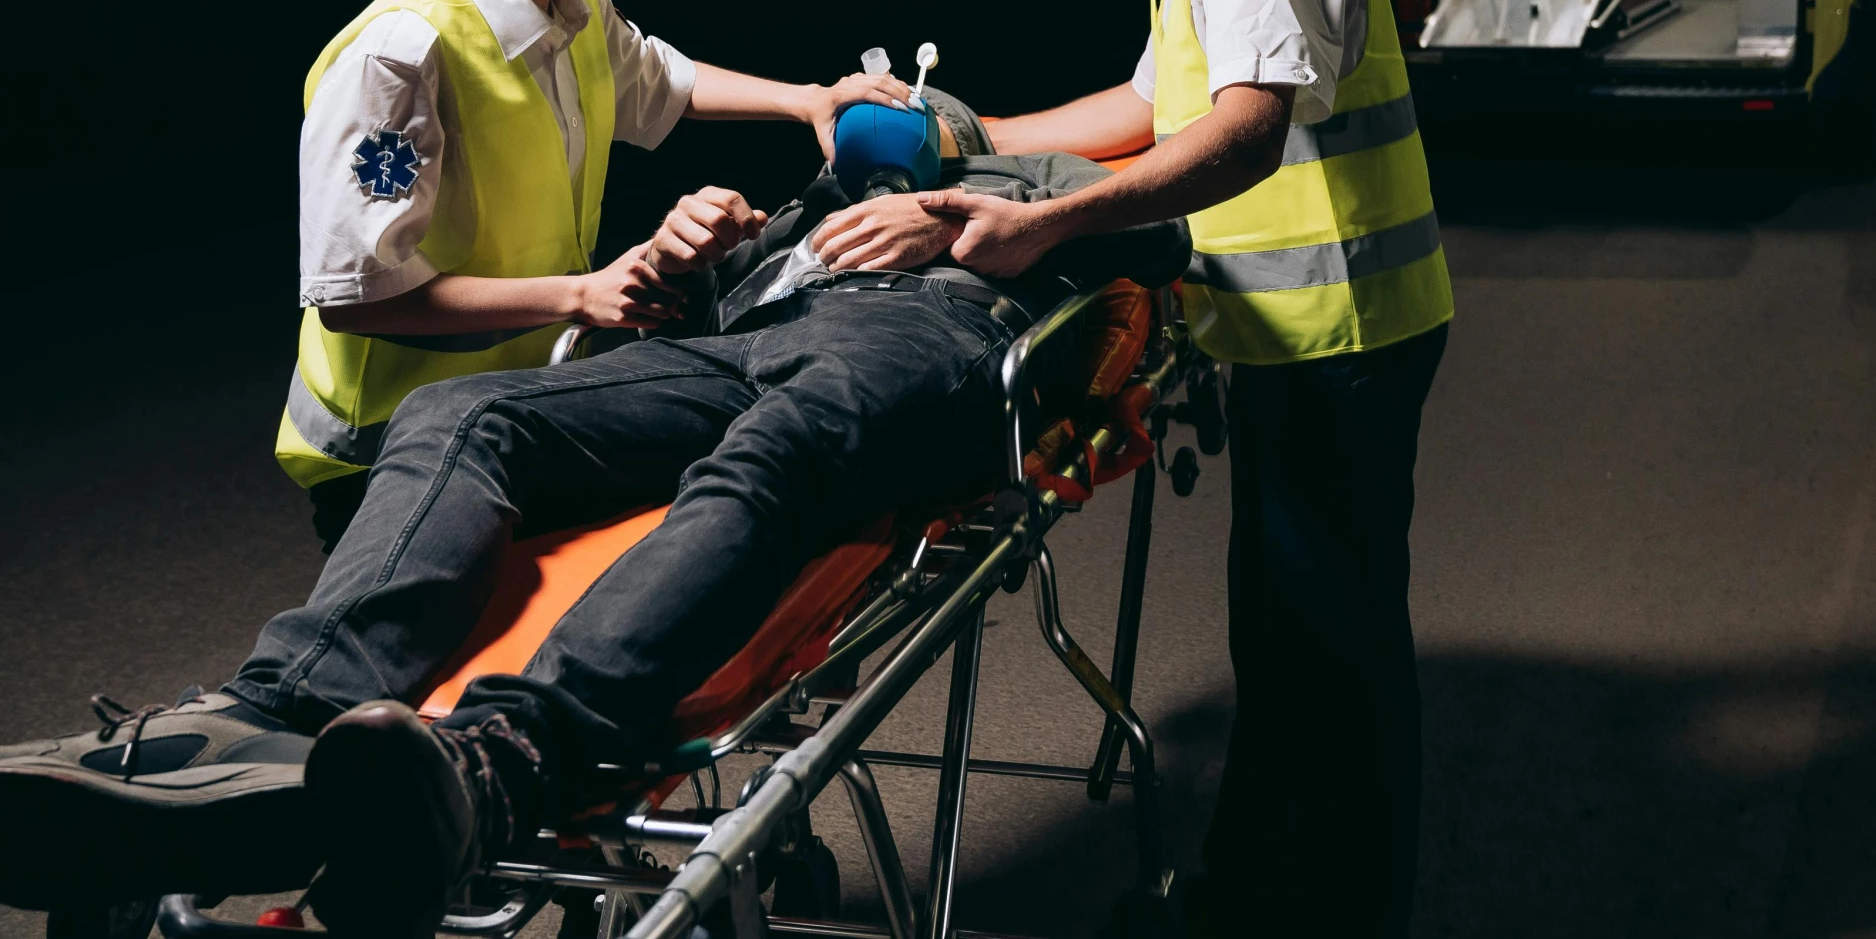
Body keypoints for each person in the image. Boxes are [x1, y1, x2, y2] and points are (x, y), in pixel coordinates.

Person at [0, 91, 1187, 935]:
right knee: (464, 417)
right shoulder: (815, 203)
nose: (911, 125)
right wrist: (692, 251)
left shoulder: (1039, 180)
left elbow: (1159, 230)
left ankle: (508, 759)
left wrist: (970, 220)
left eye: (938, 120)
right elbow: (673, 307)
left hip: (929, 337)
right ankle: (277, 720)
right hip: (748, 333)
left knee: (766, 462)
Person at [918, 0, 1452, 937]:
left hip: (1344, 341)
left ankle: (1346, 912)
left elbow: (1245, 133)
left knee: (1339, 653)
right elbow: (1144, 102)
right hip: (1295, 341)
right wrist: (967, 137)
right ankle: (1255, 895)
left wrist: (1053, 223)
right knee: (1282, 643)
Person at [284, 0, 913, 548]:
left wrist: (809, 100)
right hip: (388, 450)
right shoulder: (400, 57)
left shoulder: (573, 0)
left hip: (513, 407)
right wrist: (582, 295)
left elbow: (663, 80)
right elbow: (357, 298)